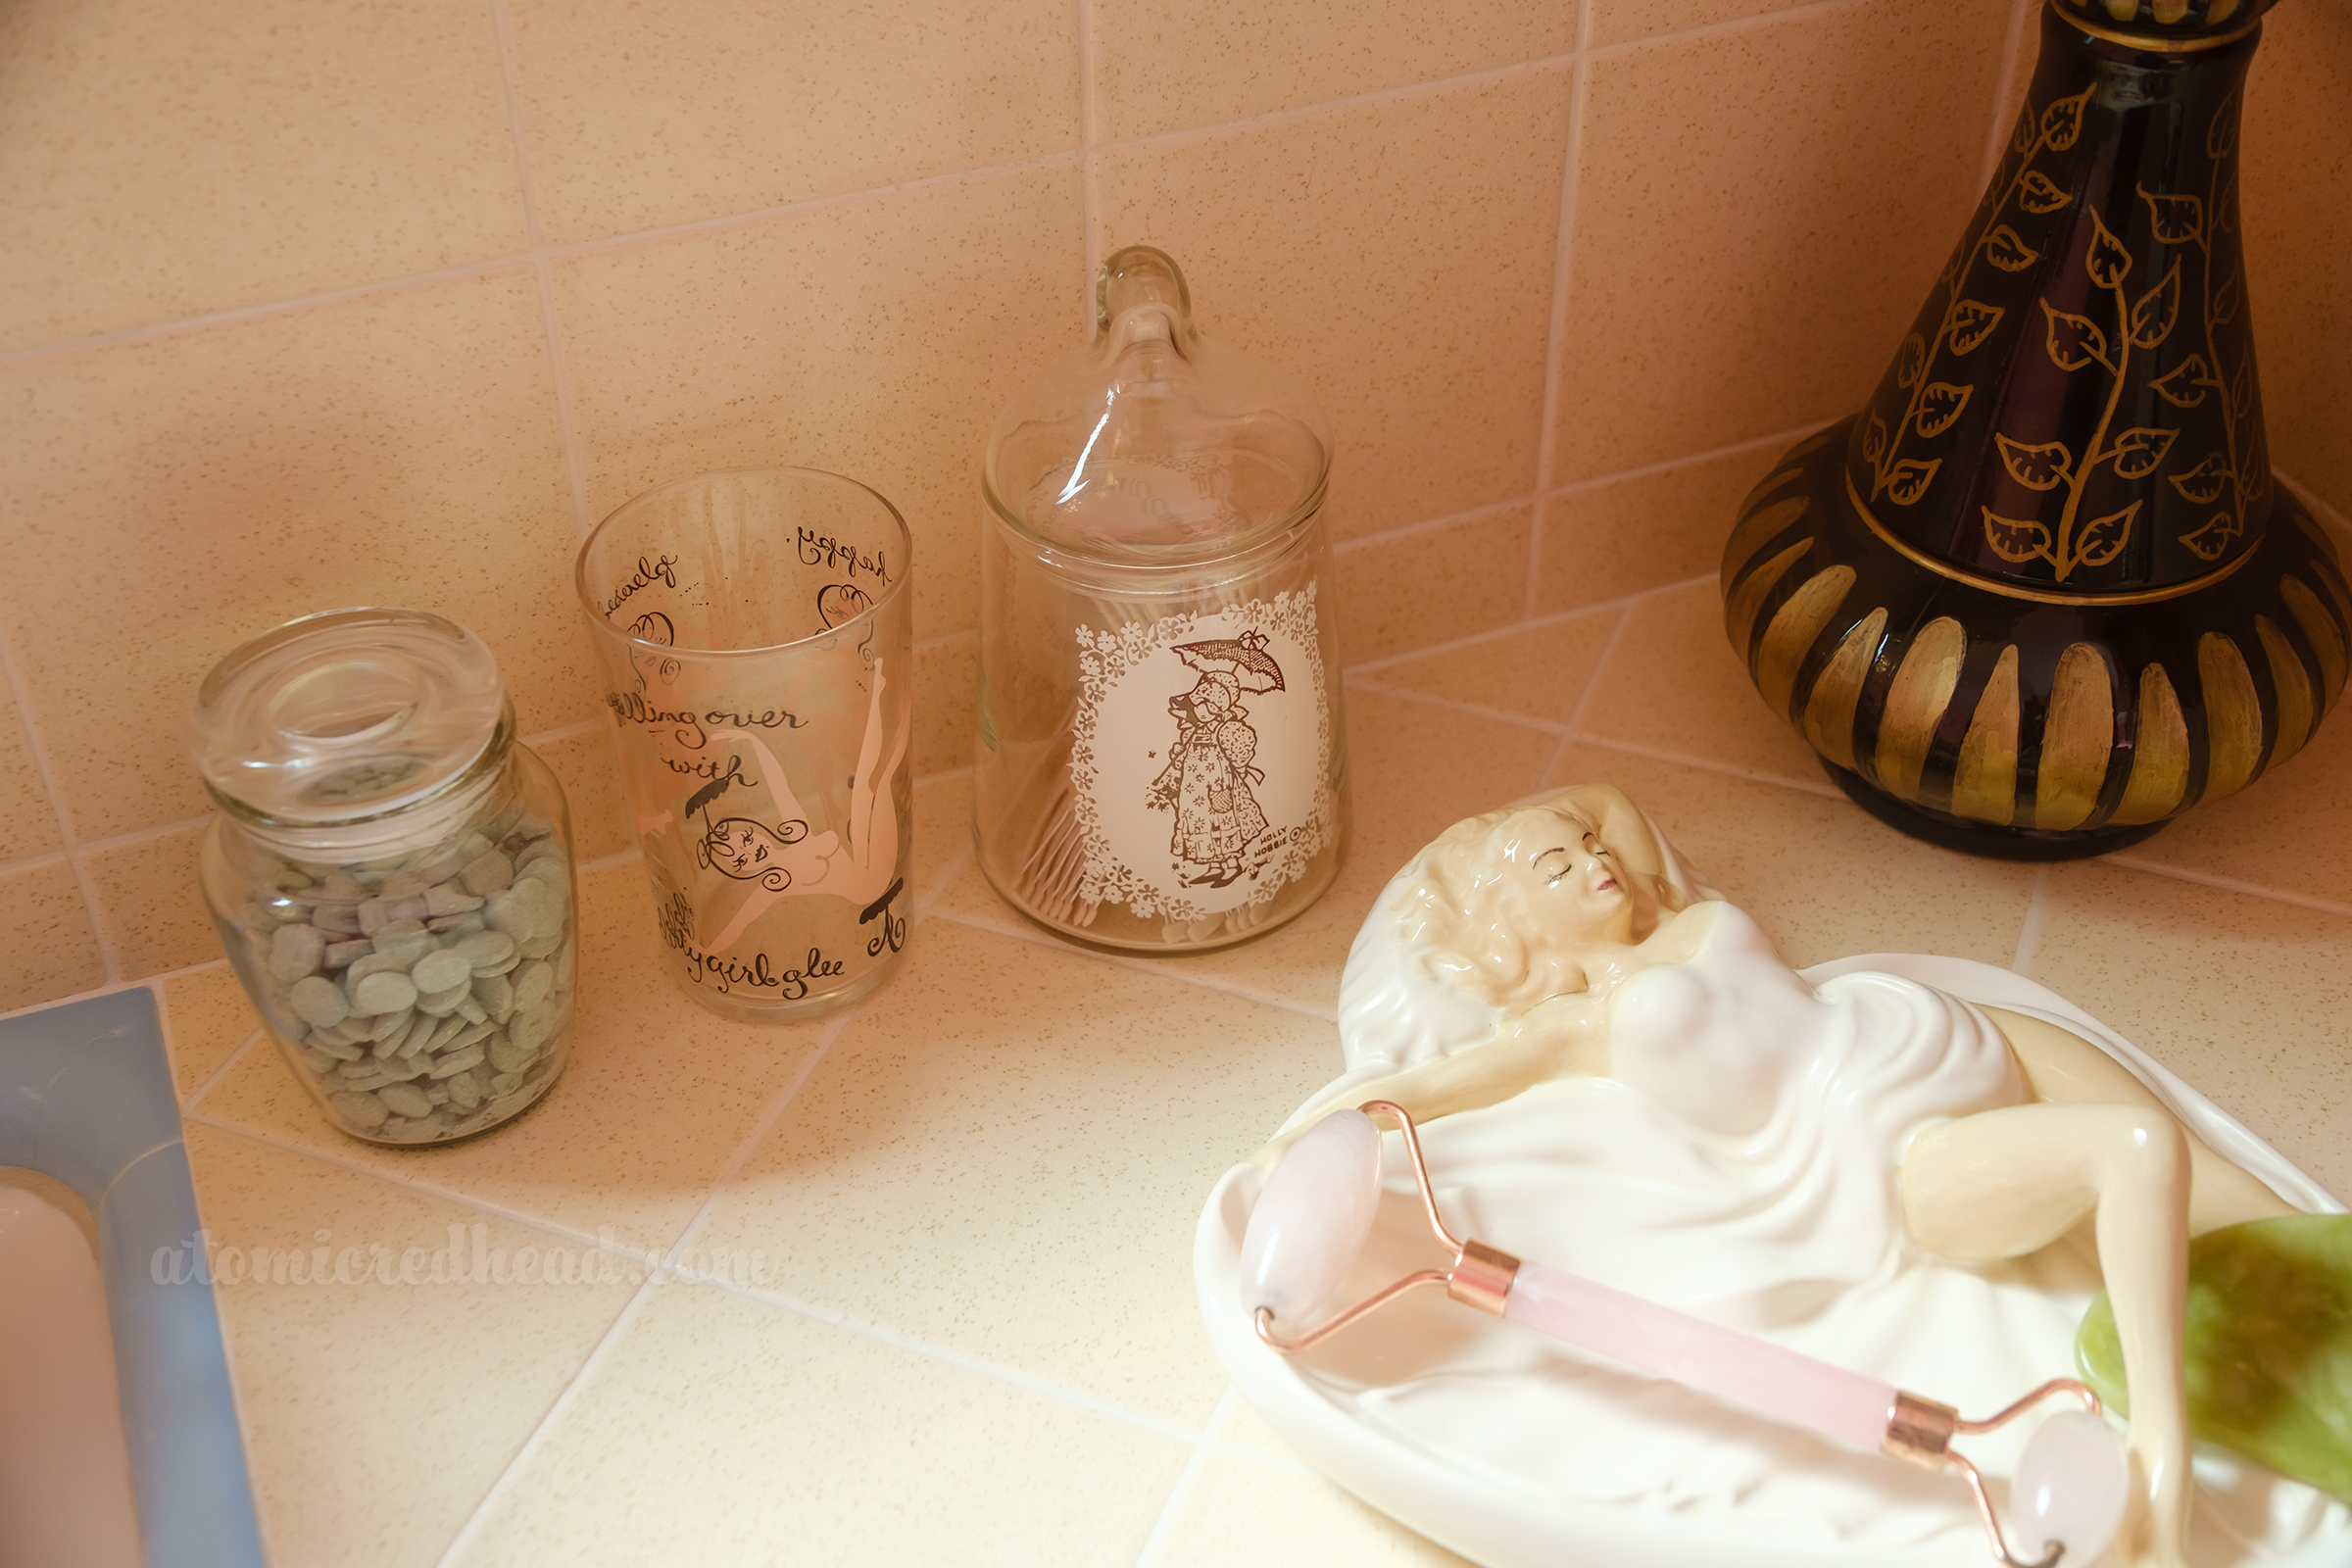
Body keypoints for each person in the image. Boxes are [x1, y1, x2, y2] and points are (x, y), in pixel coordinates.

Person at [1268, 784, 2298, 1568]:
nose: (1593, 859)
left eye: (1586, 846)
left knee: (2248, 1203)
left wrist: (1543, 822)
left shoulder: (1685, 916)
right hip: (1907, 1154)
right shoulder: (1576, 1029)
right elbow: (1433, 1079)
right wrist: (1310, 1141)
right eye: (1555, 869)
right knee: (2132, 1149)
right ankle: (2161, 1452)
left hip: (1948, 1034)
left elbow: (1609, 802)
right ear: (1518, 932)